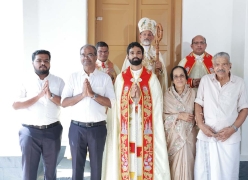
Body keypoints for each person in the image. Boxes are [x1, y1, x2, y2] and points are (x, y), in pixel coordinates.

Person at [102, 42, 170, 180]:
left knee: (143, 156)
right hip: (126, 129)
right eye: (132, 53)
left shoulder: (151, 78)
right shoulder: (121, 79)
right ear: (127, 56)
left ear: (142, 56)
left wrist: (141, 98)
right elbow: (116, 106)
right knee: (128, 156)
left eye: (138, 53)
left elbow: (158, 104)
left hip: (144, 129)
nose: (135, 55)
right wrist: (129, 98)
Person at [61, 44, 115, 180]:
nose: (86, 58)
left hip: (97, 128)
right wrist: (82, 95)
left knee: (96, 168)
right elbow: (64, 102)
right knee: (76, 168)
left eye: (90, 54)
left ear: (96, 57)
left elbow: (112, 103)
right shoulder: (73, 77)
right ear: (80, 57)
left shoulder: (105, 78)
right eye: (83, 55)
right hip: (77, 128)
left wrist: (93, 95)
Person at [194, 52, 248, 180]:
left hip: (229, 137)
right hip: (207, 135)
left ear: (230, 66)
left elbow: (244, 109)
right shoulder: (206, 80)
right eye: (217, 64)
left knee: (228, 172)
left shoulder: (239, 83)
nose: (221, 67)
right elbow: (198, 103)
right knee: (204, 173)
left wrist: (233, 129)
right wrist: (201, 125)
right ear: (213, 66)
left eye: (224, 64)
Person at [12, 50, 65, 180]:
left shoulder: (58, 81)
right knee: (29, 171)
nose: (43, 63)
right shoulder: (25, 81)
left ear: (50, 63)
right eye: (39, 60)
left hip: (52, 130)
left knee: (51, 171)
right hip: (29, 132)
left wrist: (50, 95)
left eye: (46, 60)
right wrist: (39, 96)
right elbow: (16, 105)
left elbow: (65, 103)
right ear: (32, 63)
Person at [163, 66, 197, 180]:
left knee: (189, 163)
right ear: (172, 79)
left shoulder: (193, 94)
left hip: (190, 136)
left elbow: (200, 114)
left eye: (182, 75)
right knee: (173, 167)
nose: (179, 79)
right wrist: (179, 116)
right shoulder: (166, 95)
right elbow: (161, 117)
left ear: (186, 78)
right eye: (175, 76)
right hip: (173, 138)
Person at [122, 17, 168, 93]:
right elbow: (126, 71)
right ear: (140, 37)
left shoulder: (156, 53)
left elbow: (163, 75)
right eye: (144, 34)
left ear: (153, 37)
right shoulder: (134, 52)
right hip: (136, 86)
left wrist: (160, 69)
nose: (146, 37)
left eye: (149, 35)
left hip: (151, 86)